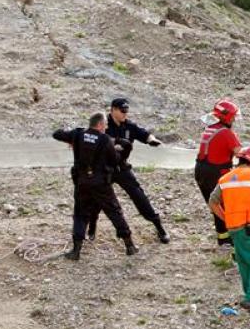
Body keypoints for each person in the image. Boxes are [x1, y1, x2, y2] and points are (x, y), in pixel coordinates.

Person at [52, 113, 137, 260]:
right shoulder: (104, 139)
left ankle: (76, 251)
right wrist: (119, 149)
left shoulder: (78, 134)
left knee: (80, 214)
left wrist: (73, 138)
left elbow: (57, 134)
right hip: (101, 184)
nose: (106, 127)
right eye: (105, 124)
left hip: (82, 182)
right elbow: (114, 160)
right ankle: (129, 246)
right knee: (114, 211)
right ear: (99, 125)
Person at [87, 98, 169, 244]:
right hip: (104, 169)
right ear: (113, 110)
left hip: (121, 168)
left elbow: (144, 134)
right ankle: (92, 226)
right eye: (122, 111)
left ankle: (159, 227)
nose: (125, 113)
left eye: (126, 111)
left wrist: (152, 140)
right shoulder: (103, 124)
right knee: (96, 200)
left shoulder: (129, 126)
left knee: (139, 195)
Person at [208, 147, 250, 323]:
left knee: (244, 262)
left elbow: (212, 202)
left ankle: (249, 298)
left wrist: (227, 217)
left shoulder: (225, 178)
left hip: (234, 228)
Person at [195, 99, 242, 246]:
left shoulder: (210, 129)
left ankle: (223, 239)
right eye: (233, 116)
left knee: (215, 205)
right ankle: (233, 240)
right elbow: (240, 153)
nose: (235, 119)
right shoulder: (227, 133)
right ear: (227, 117)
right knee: (227, 206)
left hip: (200, 171)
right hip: (216, 173)